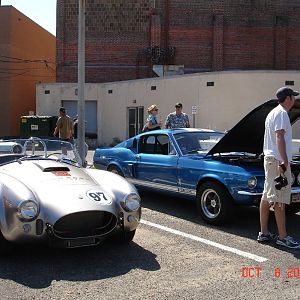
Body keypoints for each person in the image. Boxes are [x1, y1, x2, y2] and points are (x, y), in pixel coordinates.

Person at [257, 87, 300, 249]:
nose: (294, 100)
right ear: (288, 98)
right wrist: (284, 161)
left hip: (269, 159)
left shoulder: (272, 113)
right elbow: (279, 136)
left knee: (267, 196)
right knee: (280, 199)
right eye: (293, 97)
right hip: (277, 161)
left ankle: (264, 232)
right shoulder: (281, 113)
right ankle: (283, 237)